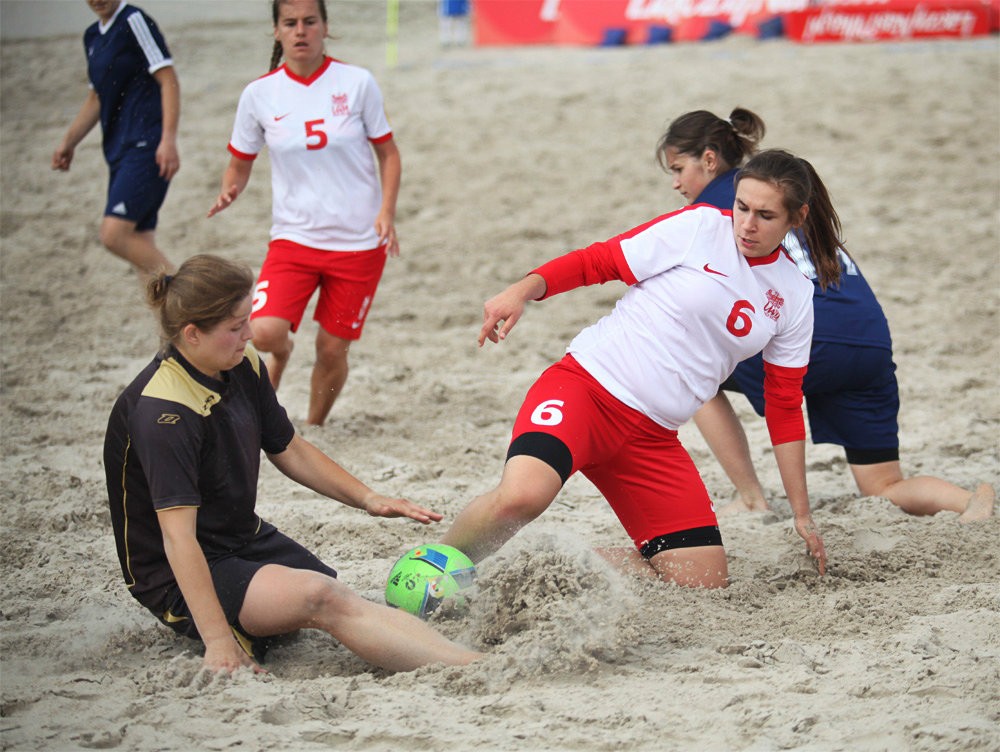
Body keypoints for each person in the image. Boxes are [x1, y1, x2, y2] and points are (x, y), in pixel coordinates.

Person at [440, 149, 840, 589]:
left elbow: (784, 404)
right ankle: (435, 571)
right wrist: (524, 290)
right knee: (521, 498)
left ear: (796, 218)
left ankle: (515, 572)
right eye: (741, 207)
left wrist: (801, 513)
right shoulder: (701, 226)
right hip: (587, 390)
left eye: (765, 215)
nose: (746, 224)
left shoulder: (795, 293)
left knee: (703, 581)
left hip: (651, 438)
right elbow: (599, 261)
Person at [103, 254, 480, 674]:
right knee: (323, 597)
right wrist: (218, 642)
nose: (250, 334)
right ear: (191, 334)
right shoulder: (163, 413)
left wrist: (368, 498)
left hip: (243, 538)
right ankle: (474, 666)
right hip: (179, 570)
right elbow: (178, 541)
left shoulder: (241, 363)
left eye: (248, 319)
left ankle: (465, 657)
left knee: (332, 592)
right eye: (235, 327)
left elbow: (289, 447)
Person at [658, 107, 995, 523]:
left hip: (809, 338)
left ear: (709, 160)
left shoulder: (723, 208)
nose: (676, 182)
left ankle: (750, 499)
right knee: (883, 485)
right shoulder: (785, 195)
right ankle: (968, 502)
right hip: (869, 342)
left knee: (689, 367)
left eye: (678, 168)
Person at [207, 0, 402, 427]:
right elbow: (240, 161)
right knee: (264, 333)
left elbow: (387, 153)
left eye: (310, 22)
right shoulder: (259, 94)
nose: (301, 31)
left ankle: (314, 427)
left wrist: (387, 211)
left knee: (332, 349)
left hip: (358, 245)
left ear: (325, 27)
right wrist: (229, 187)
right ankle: (283, 354)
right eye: (290, 23)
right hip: (294, 239)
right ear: (276, 31)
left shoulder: (356, 82)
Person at [52, 0, 178, 280]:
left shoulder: (133, 20)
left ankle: (195, 304)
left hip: (147, 145)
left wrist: (168, 139)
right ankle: (170, 322)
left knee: (113, 234)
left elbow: (168, 78)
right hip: (117, 151)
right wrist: (68, 142)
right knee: (141, 245)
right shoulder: (92, 36)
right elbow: (96, 97)